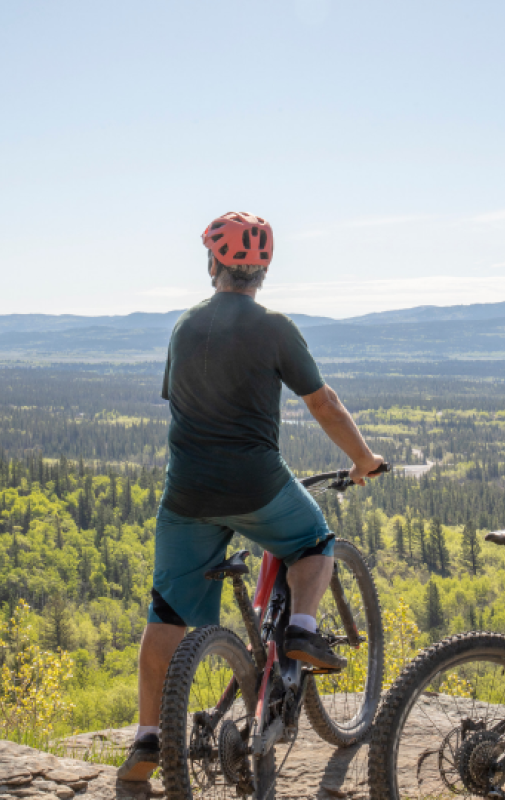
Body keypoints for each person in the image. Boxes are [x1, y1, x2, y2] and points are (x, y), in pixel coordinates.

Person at [118, 211, 384, 782]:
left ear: (212, 264)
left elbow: (185, 401)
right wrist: (363, 460)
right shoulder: (275, 327)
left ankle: (146, 739)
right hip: (257, 484)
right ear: (262, 270)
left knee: (166, 612)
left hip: (187, 492)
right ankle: (304, 629)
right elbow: (323, 403)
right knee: (315, 542)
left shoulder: (185, 327)